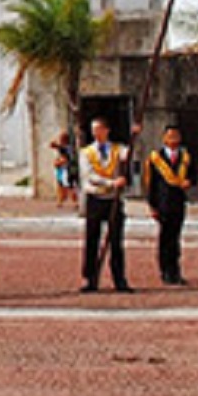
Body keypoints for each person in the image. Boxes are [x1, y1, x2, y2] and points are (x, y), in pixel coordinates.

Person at [79, 117, 131, 293]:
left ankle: (119, 278)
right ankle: (90, 278)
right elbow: (89, 176)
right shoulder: (87, 152)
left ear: (107, 130)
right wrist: (111, 183)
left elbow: (130, 154)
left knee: (116, 241)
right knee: (92, 240)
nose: (96, 133)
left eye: (99, 128)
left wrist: (135, 133)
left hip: (113, 200)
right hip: (95, 198)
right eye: (94, 129)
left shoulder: (117, 149)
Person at [143, 126, 192, 287]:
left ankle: (175, 271)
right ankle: (165, 271)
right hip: (163, 203)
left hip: (178, 202)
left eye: (176, 136)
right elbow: (151, 184)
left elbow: (194, 175)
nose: (173, 139)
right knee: (165, 238)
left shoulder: (185, 156)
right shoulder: (156, 158)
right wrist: (152, 205)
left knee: (175, 238)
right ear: (164, 138)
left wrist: (189, 182)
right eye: (169, 136)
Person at [51, 132, 77, 209]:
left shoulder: (67, 148)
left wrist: (59, 162)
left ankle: (75, 202)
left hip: (66, 169)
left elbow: (66, 158)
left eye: (61, 139)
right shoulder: (64, 148)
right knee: (60, 185)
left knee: (69, 186)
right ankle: (60, 201)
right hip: (61, 169)